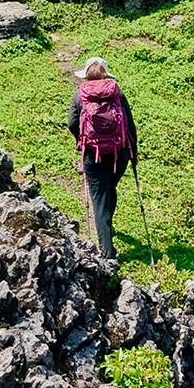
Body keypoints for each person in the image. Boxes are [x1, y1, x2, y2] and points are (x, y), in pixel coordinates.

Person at [67, 57, 137, 263]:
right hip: (119, 152)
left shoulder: (79, 94)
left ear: (86, 75)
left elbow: (71, 123)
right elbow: (130, 124)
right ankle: (108, 227)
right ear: (105, 74)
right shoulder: (117, 92)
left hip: (93, 154)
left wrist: (82, 139)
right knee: (109, 189)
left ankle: (107, 253)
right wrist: (134, 153)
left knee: (100, 200)